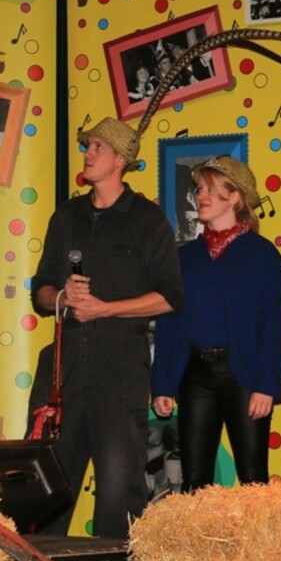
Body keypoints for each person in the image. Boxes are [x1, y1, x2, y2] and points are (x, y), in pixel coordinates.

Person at [28, 117, 184, 538]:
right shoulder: (66, 216)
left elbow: (170, 297)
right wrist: (62, 297)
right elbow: (40, 290)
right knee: (45, 491)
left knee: (119, 496)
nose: (88, 153)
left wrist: (105, 309)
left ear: (120, 160)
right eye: (87, 145)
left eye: (98, 147)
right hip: (63, 375)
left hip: (119, 377)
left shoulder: (148, 220)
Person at [151, 156, 281, 492]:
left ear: (235, 197)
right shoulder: (185, 257)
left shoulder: (262, 254)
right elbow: (169, 324)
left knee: (253, 479)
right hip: (194, 377)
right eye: (199, 189)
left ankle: (258, 533)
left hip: (244, 376)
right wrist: (163, 384)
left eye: (210, 189)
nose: (201, 196)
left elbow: (274, 324)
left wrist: (267, 386)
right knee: (195, 482)